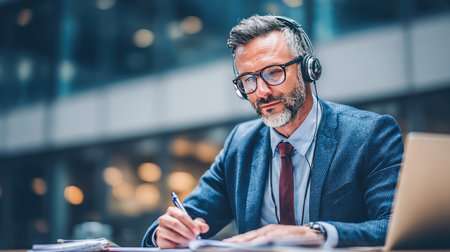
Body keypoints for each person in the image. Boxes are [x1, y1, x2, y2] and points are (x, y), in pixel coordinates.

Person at [142, 15, 403, 249]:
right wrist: (165, 234)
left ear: (307, 69)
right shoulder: (239, 144)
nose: (262, 92)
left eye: (273, 72)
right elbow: (185, 218)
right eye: (249, 79)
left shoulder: (370, 134)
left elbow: (394, 225)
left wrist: (315, 234)